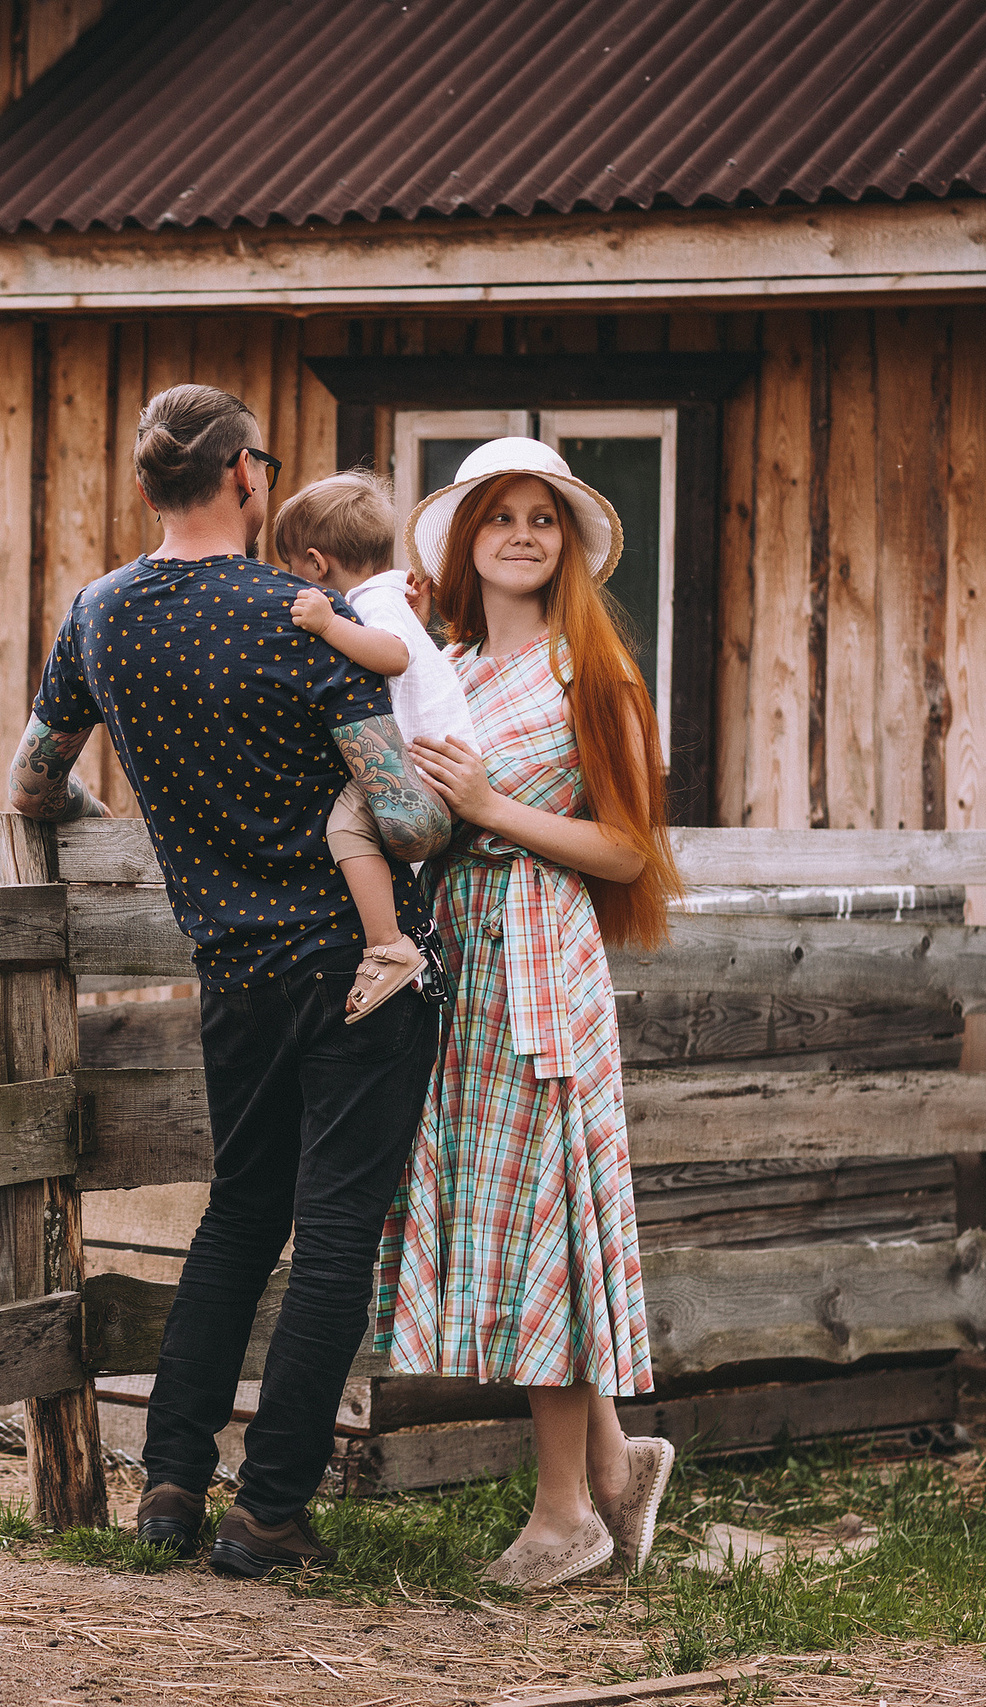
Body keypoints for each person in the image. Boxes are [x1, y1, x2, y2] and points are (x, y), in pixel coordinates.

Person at [4, 384, 451, 1580]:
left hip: (235, 971)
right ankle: (269, 1512)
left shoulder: (99, 616)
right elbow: (404, 821)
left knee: (240, 1216)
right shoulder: (305, 616)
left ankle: (168, 1486)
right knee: (338, 1230)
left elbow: (32, 782)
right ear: (248, 475)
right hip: (361, 970)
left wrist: (132, 840)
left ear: (152, 484)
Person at [374, 438, 682, 1590]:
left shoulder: (586, 675)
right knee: (510, 1216)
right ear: (464, 541)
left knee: (541, 1213)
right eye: (495, 516)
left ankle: (565, 1516)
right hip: (462, 956)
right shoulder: (441, 667)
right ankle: (611, 1462)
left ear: (566, 546)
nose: (519, 533)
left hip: (542, 957)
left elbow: (624, 844)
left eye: (540, 519)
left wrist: (492, 804)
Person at [273, 470, 476, 1023]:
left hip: (422, 764)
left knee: (345, 824)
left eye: (294, 570)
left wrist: (326, 624)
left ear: (316, 564)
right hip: (432, 760)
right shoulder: (388, 598)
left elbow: (394, 656)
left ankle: (388, 946)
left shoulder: (369, 605)